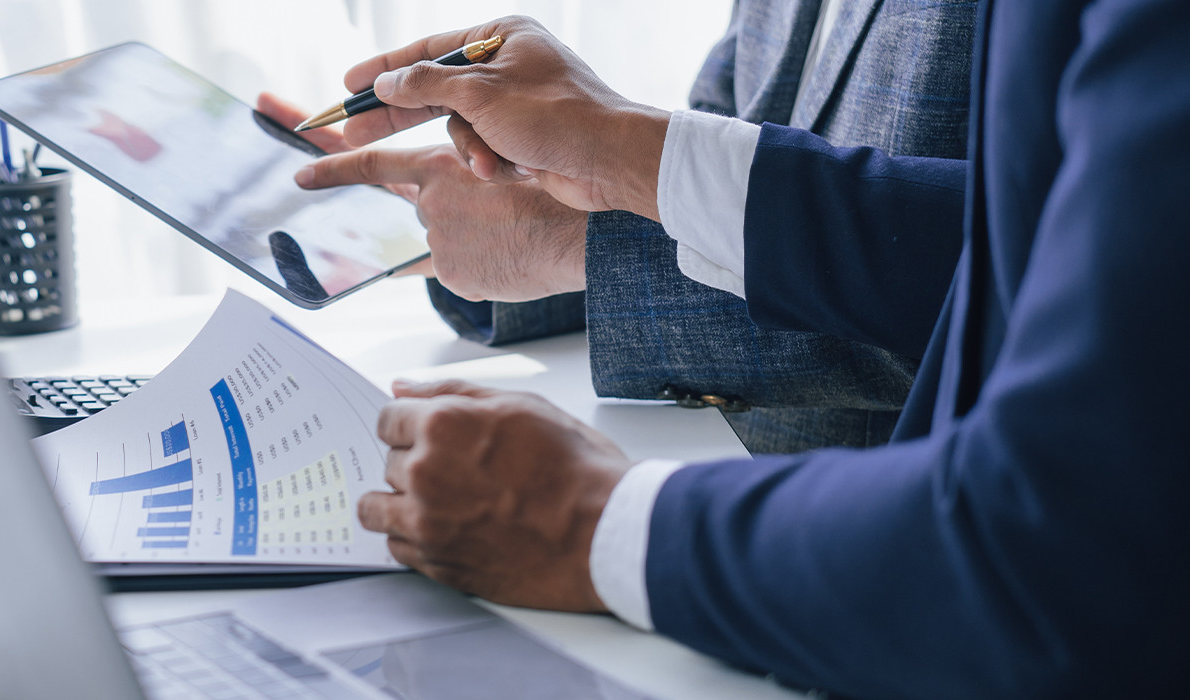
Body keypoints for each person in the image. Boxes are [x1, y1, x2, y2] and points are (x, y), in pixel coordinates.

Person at [316, 5, 1189, 697]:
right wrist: (594, 175)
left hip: (887, 578)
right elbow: (735, 151)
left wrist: (590, 521)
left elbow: (1023, 305)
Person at [265, 1, 978, 455]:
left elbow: (1018, 278)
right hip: (704, 486)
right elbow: (724, 171)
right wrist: (486, 205)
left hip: (916, 563)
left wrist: (577, 239)